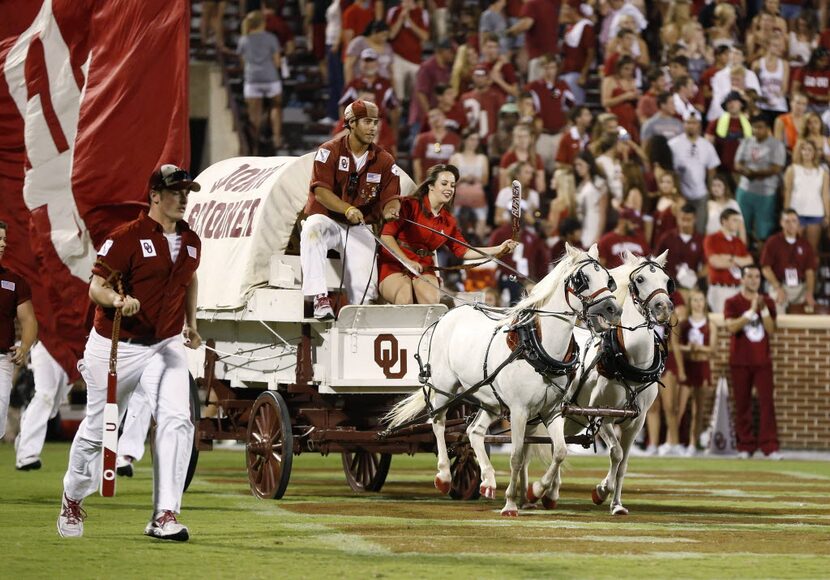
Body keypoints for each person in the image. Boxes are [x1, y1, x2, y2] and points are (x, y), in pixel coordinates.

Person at [57, 165, 202, 540]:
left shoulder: (191, 241)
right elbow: (96, 287)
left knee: (177, 419)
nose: (183, 198)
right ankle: (72, 497)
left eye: (187, 191)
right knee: (96, 430)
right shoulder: (126, 238)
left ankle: (165, 514)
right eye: (176, 191)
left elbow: (189, 278)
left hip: (165, 343)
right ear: (155, 195)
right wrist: (118, 300)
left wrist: (191, 323)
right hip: (116, 345)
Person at [301, 100, 401, 320]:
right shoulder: (329, 151)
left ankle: (359, 318)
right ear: (351, 123)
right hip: (328, 219)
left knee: (365, 289)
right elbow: (321, 192)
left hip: (359, 225)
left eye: (375, 122)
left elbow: (392, 197)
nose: (373, 127)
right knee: (312, 229)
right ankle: (319, 298)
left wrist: (391, 210)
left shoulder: (384, 159)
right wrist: (346, 209)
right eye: (367, 122)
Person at [378, 165, 516, 304]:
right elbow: (386, 236)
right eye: (444, 184)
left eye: (452, 185)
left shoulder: (448, 220)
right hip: (395, 263)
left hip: (424, 267)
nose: (449, 188)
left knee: (430, 304)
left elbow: (464, 252)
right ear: (431, 186)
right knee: (404, 298)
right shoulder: (409, 205)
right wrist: (406, 261)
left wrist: (498, 249)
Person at [723, 265, 781, 460]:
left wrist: (763, 311)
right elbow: (731, 327)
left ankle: (769, 446)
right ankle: (745, 446)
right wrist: (751, 311)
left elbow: (771, 330)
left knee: (767, 404)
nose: (754, 280)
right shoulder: (732, 302)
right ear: (742, 279)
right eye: (749, 276)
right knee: (742, 404)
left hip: (762, 360)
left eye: (757, 276)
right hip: (740, 360)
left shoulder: (768, 302)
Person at [0, 222, 37, 442]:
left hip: (2, 360)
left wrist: (24, 346)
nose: (3, 244)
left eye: (4, 239)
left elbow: (29, 320)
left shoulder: (14, 281)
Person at [15, 343, 71, 470]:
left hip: (76, 350)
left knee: (53, 408)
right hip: (47, 344)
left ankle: (24, 435)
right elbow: (29, 322)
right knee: (45, 396)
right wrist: (25, 345)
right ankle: (26, 454)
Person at [733, 115, 786, 243]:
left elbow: (776, 168)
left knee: (764, 230)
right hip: (745, 190)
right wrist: (746, 171)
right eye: (754, 127)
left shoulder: (776, 145)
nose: (757, 130)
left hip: (766, 193)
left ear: (768, 128)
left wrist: (755, 173)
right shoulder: (746, 142)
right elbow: (737, 163)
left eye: (760, 127)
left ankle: (762, 259)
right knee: (741, 226)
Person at [237, 10, 283, 152]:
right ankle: (276, 138)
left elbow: (242, 62)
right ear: (263, 23)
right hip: (270, 78)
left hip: (252, 80)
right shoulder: (271, 38)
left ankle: (254, 144)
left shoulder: (244, 40)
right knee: (275, 107)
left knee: (254, 115)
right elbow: (277, 62)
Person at [669, 111, 721, 233]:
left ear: (699, 125)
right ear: (684, 124)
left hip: (701, 195)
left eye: (694, 123)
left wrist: (710, 190)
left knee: (700, 229)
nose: (691, 125)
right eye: (688, 122)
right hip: (681, 195)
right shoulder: (673, 144)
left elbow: (712, 170)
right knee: (680, 229)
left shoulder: (706, 145)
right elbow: (669, 171)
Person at [678, 289, 715, 455]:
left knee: (698, 409)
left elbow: (712, 350)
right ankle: (676, 441)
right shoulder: (684, 324)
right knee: (679, 407)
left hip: (702, 366)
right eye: (695, 300)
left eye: (701, 300)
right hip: (688, 366)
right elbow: (677, 346)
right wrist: (689, 348)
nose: (698, 303)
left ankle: (694, 442)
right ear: (690, 303)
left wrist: (700, 348)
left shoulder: (710, 324)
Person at [760, 208, 818, 312]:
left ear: (798, 223)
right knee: (778, 309)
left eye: (794, 221)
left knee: (807, 313)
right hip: (780, 285)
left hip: (800, 287)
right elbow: (765, 268)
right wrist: (778, 288)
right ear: (781, 223)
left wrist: (809, 293)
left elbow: (810, 272)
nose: (791, 224)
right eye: (787, 221)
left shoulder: (805, 244)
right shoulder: (773, 242)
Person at [783, 139, 830, 254]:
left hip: (815, 214)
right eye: (803, 149)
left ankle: (811, 272)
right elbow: (787, 192)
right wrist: (785, 213)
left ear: (814, 153)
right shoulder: (792, 169)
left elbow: (825, 195)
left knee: (811, 250)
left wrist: (828, 215)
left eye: (809, 149)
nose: (806, 152)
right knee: (794, 249)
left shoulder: (823, 172)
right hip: (796, 214)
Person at [704, 208, 754, 313]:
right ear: (724, 221)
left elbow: (749, 261)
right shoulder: (712, 239)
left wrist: (730, 258)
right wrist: (738, 261)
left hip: (738, 288)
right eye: (734, 220)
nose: (738, 223)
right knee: (723, 322)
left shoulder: (738, 241)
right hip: (721, 288)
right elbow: (716, 262)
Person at [654, 203, 705, 298]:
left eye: (688, 220)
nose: (685, 223)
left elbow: (707, 265)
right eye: (682, 219)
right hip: (668, 288)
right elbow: (655, 262)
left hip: (691, 288)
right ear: (677, 218)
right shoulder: (667, 238)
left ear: (695, 219)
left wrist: (695, 276)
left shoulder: (700, 240)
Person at [386, 0, 429, 100]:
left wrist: (409, 20)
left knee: (417, 92)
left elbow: (425, 36)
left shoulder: (422, 13)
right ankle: (398, 112)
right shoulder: (394, 11)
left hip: (415, 58)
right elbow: (391, 35)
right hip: (397, 56)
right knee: (397, 90)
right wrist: (401, 18)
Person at [412, 108, 461, 184]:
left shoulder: (455, 139)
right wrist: (418, 181)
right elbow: (417, 161)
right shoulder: (422, 138)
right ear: (428, 121)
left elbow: (459, 161)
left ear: (445, 118)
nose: (436, 118)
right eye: (432, 116)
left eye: (438, 115)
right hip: (428, 181)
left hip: (448, 182)